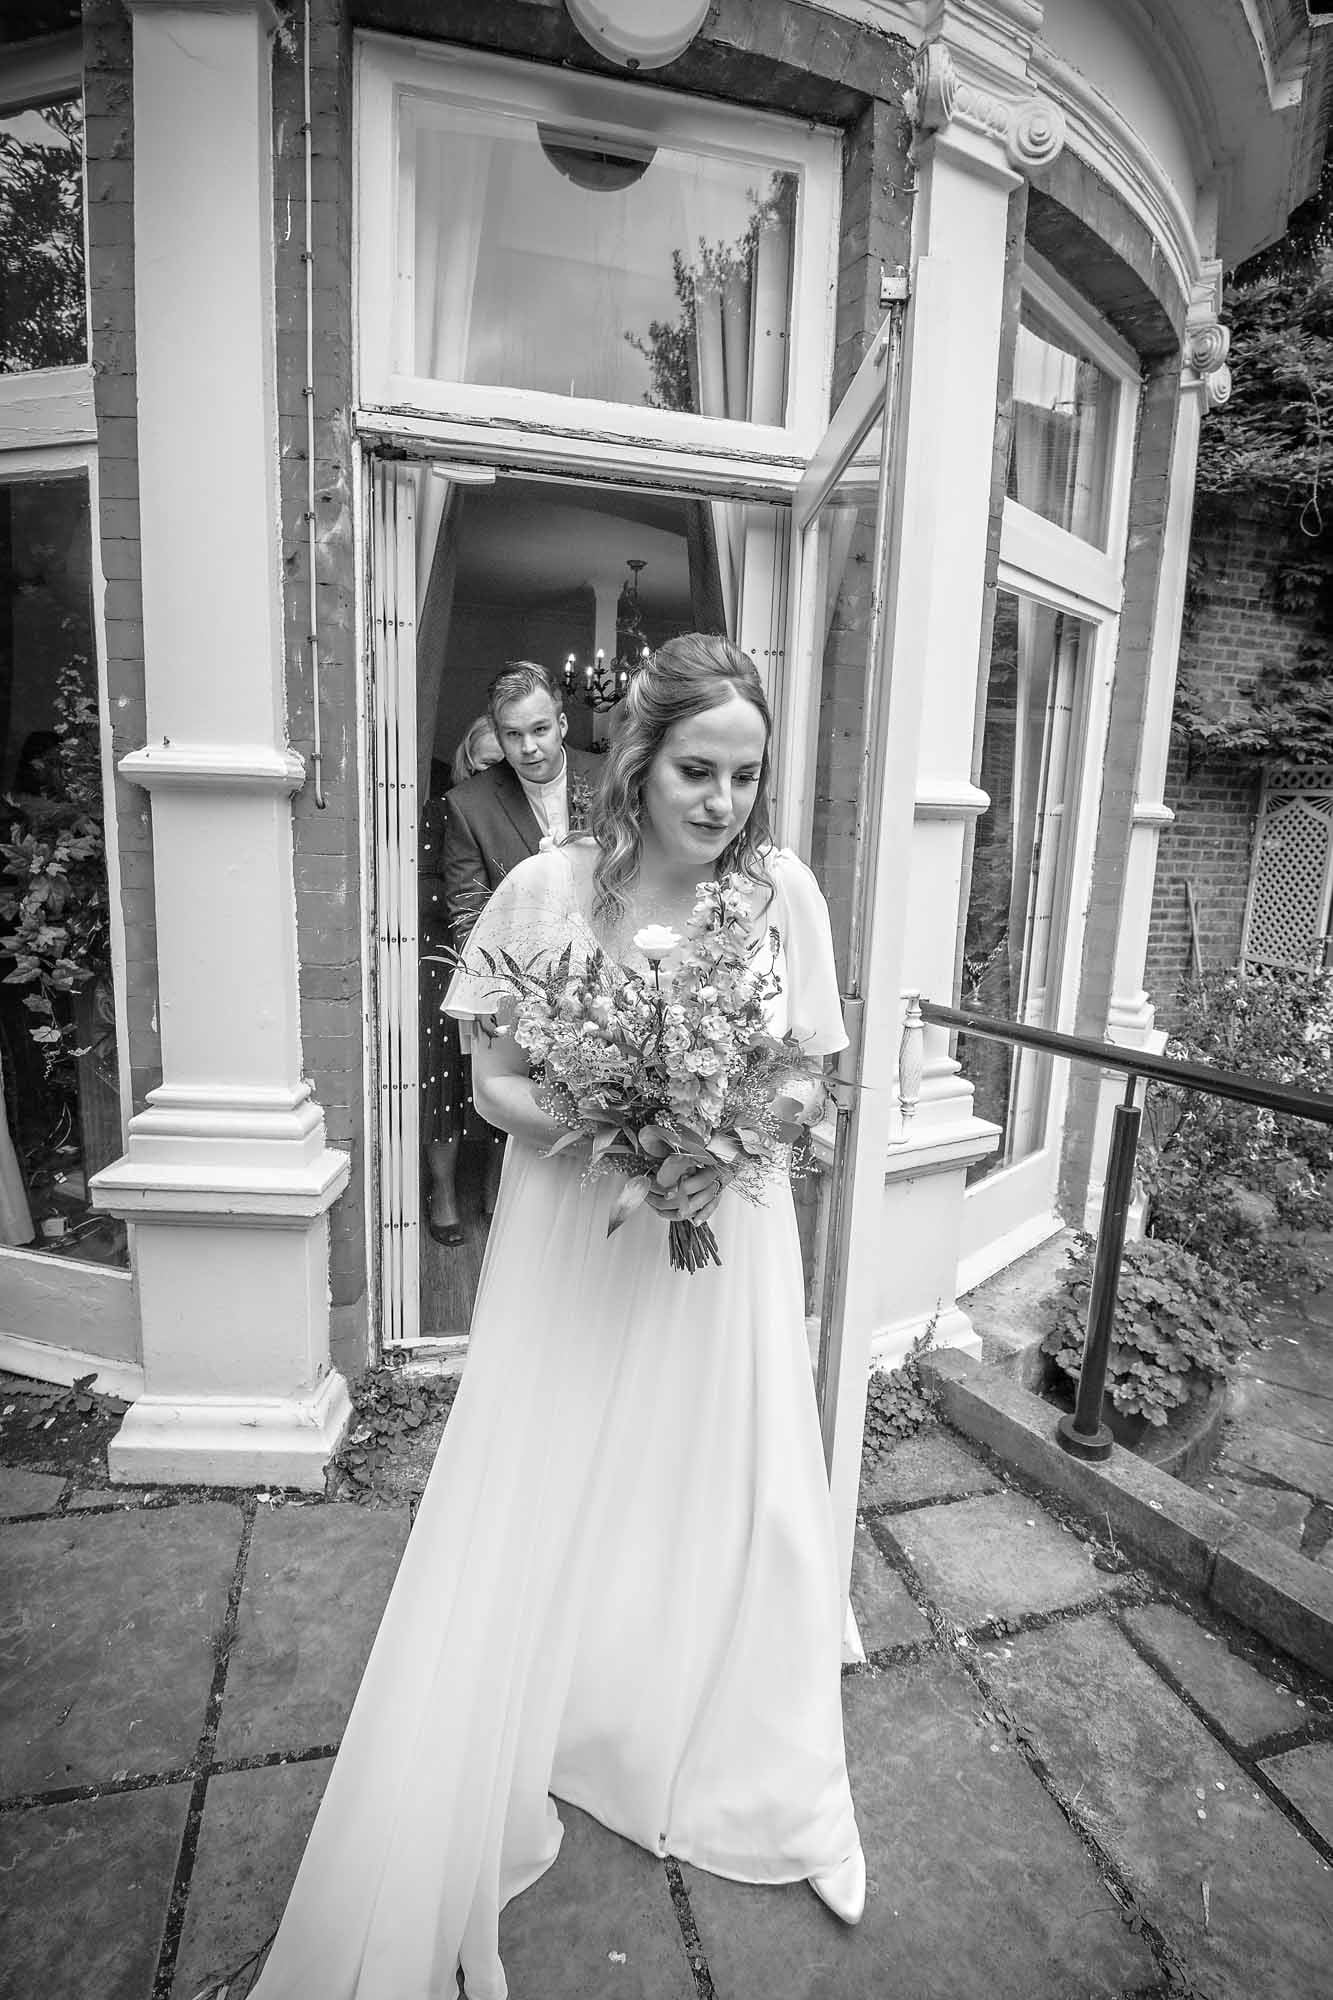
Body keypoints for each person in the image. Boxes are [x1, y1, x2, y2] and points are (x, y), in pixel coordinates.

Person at [246, 635, 863, 2000]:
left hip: (724, 1238)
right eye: (699, 770)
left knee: (727, 1477)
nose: (724, 803)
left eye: (747, 776)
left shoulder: (785, 899)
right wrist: (617, 1122)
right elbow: (490, 1087)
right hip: (577, 1234)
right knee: (562, 1468)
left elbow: (812, 1075)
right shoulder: (539, 892)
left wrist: (731, 1131)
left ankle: (734, 1741)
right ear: (638, 764)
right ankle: (558, 1696)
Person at [442, 663, 603, 1214]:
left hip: (611, 989)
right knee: (528, 1113)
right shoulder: (470, 803)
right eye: (513, 735)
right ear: (498, 733)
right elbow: (466, 904)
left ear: (561, 723)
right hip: (522, 994)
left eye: (539, 730)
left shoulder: (609, 778)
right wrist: (487, 989)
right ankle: (520, 1209)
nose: (528, 747)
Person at [419, 716, 503, 1246]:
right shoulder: (439, 812)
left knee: (507, 1073)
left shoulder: (530, 812)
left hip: (513, 966)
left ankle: (497, 1187)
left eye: (505, 764)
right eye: (486, 763)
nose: (496, 774)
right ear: (467, 762)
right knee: (443, 1083)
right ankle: (443, 1193)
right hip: (445, 961)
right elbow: (425, 890)